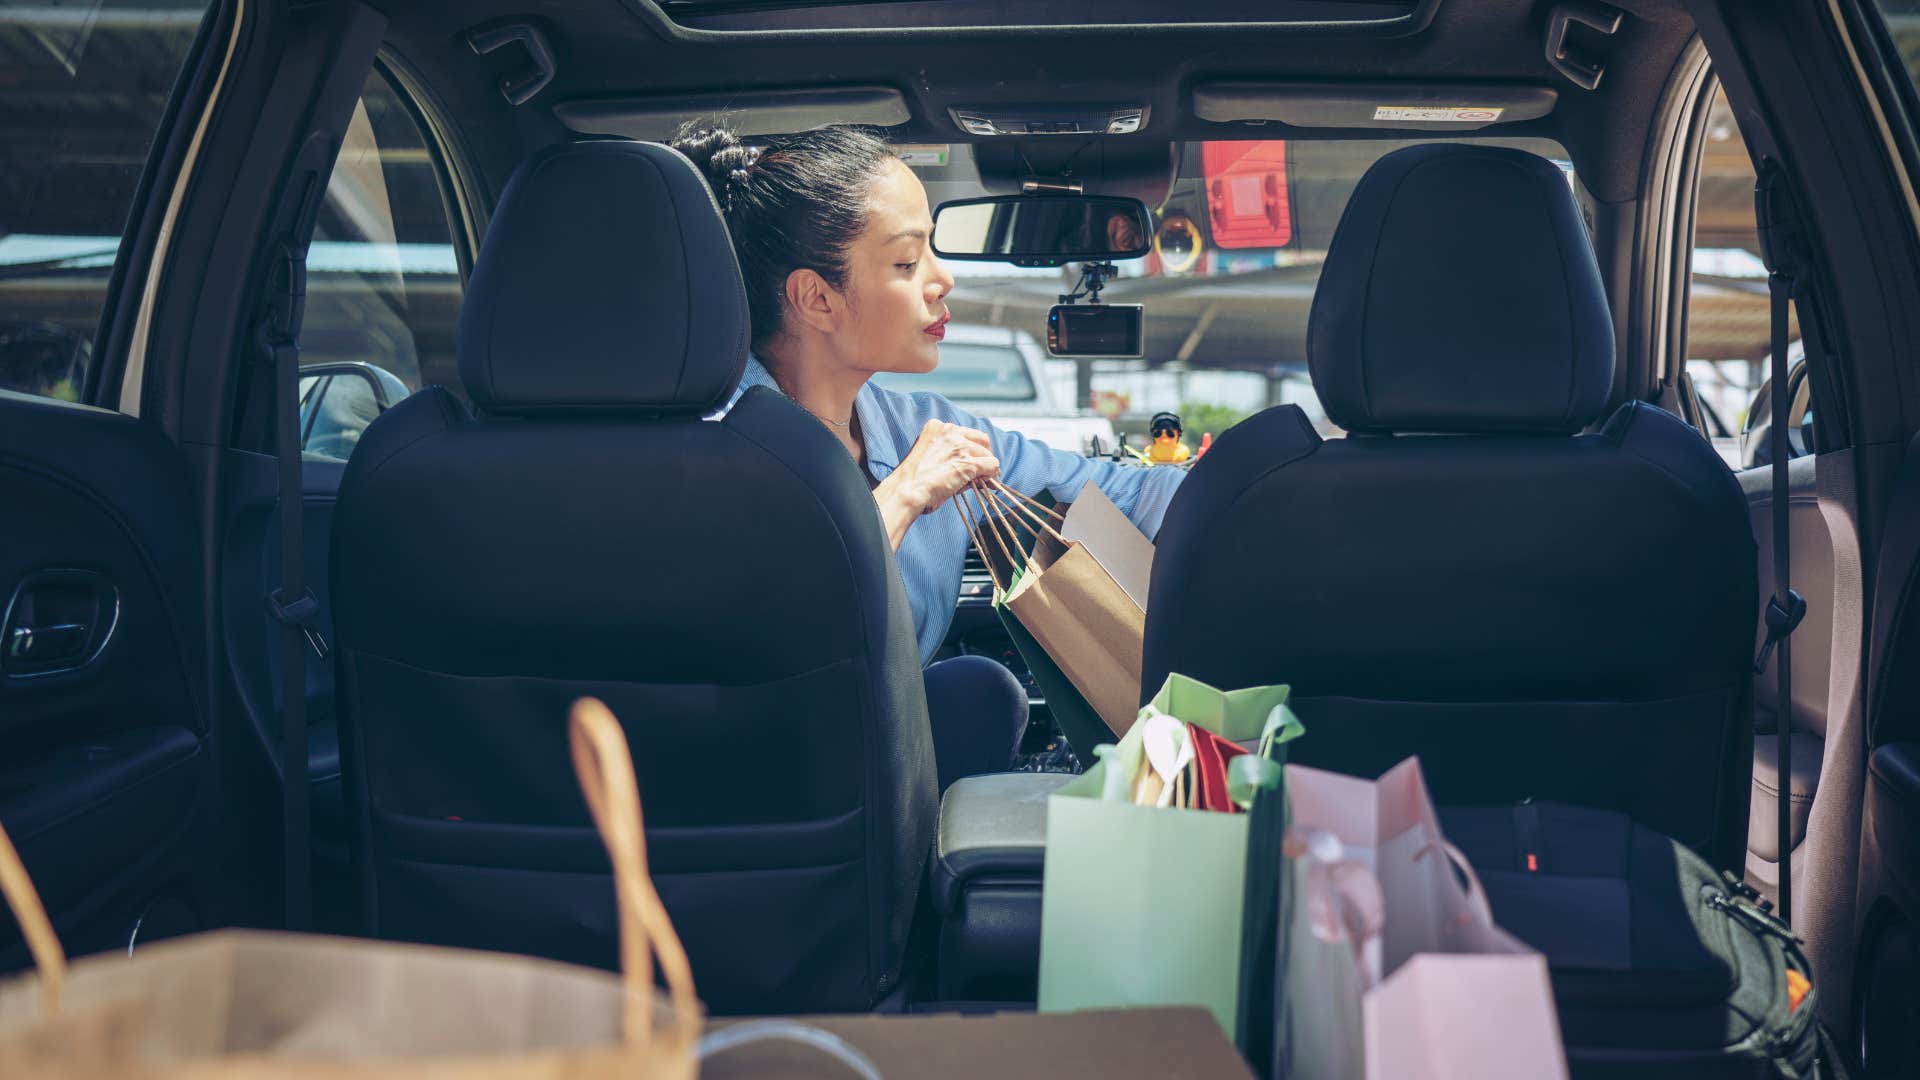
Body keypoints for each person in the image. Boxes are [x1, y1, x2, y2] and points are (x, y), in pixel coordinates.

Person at [673, 123, 1185, 790]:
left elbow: (1128, 495)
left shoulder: (919, 428)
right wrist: (904, 496)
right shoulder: (705, 444)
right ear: (816, 299)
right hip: (741, 779)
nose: (944, 281)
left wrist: (1281, 488)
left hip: (872, 779)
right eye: (907, 263)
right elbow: (766, 623)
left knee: (981, 689)